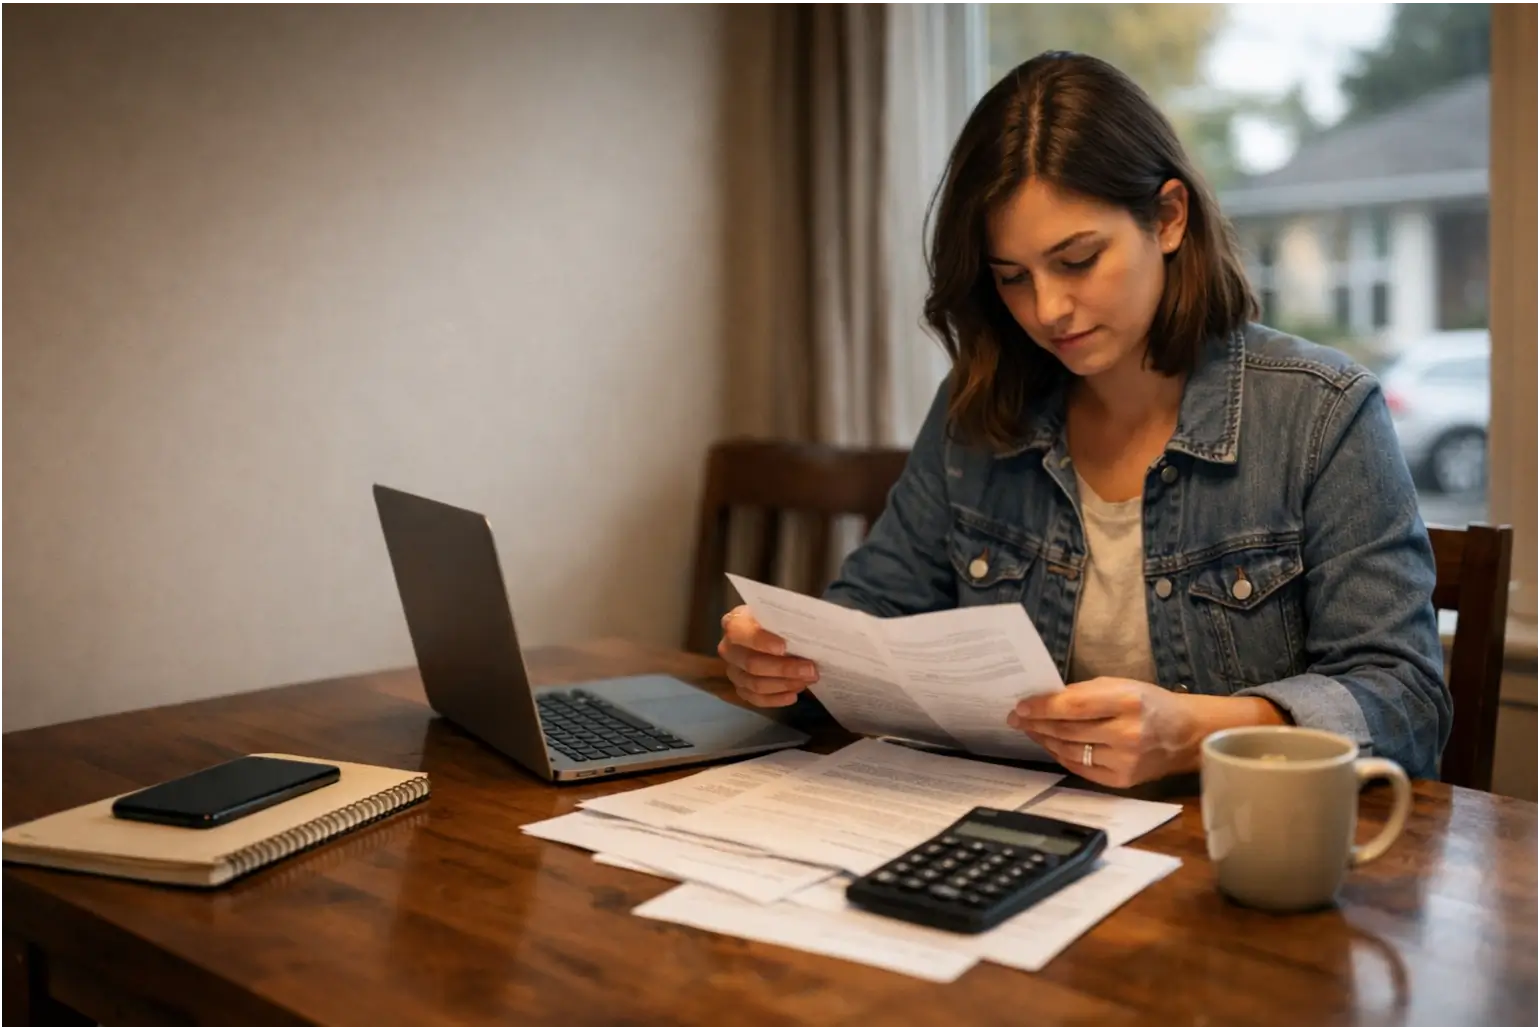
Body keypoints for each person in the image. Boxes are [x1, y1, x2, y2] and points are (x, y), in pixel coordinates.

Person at [717, 51, 1452, 788]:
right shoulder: (979, 410)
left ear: (1167, 218)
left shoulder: (1320, 412)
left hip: (1231, 851)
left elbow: (1405, 702)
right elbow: (874, 613)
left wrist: (1198, 729)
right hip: (1021, 835)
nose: (1046, 310)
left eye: (1075, 260)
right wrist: (789, 661)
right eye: (1011, 277)